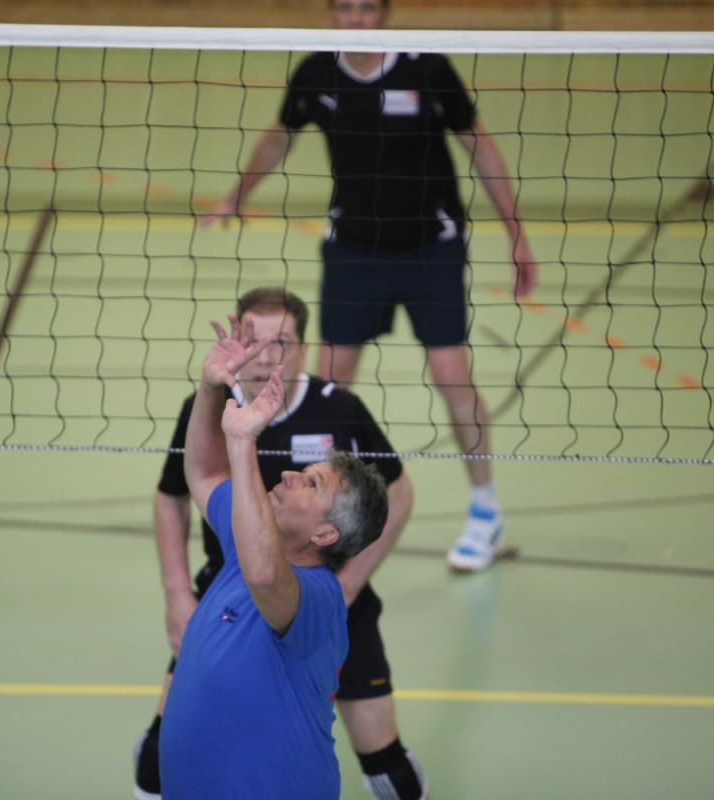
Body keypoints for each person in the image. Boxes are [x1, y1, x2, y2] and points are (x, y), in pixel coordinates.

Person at [199, 0, 538, 573]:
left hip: (431, 246)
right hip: (355, 250)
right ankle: (320, 514)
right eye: (345, 7)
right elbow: (279, 136)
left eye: (366, 8)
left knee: (452, 376)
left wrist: (516, 232)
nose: (355, 18)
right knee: (330, 383)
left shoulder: (426, 68)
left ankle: (485, 508)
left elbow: (478, 144)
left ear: (384, 12)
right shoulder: (317, 73)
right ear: (331, 12)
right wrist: (237, 195)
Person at [134, 288, 426, 799]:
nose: (289, 474)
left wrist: (242, 442)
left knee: (386, 764)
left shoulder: (314, 596)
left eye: (310, 483)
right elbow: (203, 474)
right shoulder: (239, 550)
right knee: (152, 758)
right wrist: (210, 385)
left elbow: (267, 574)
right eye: (255, 341)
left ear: (325, 534)